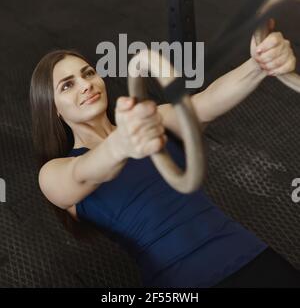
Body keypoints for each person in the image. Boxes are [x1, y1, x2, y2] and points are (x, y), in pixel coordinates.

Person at [30, 26, 300, 288]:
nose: (86, 85)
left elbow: (204, 105)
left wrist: (260, 63)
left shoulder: (153, 119)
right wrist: (121, 145)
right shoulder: (55, 172)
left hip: (250, 256)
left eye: (88, 73)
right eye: (67, 85)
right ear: (53, 108)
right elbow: (86, 170)